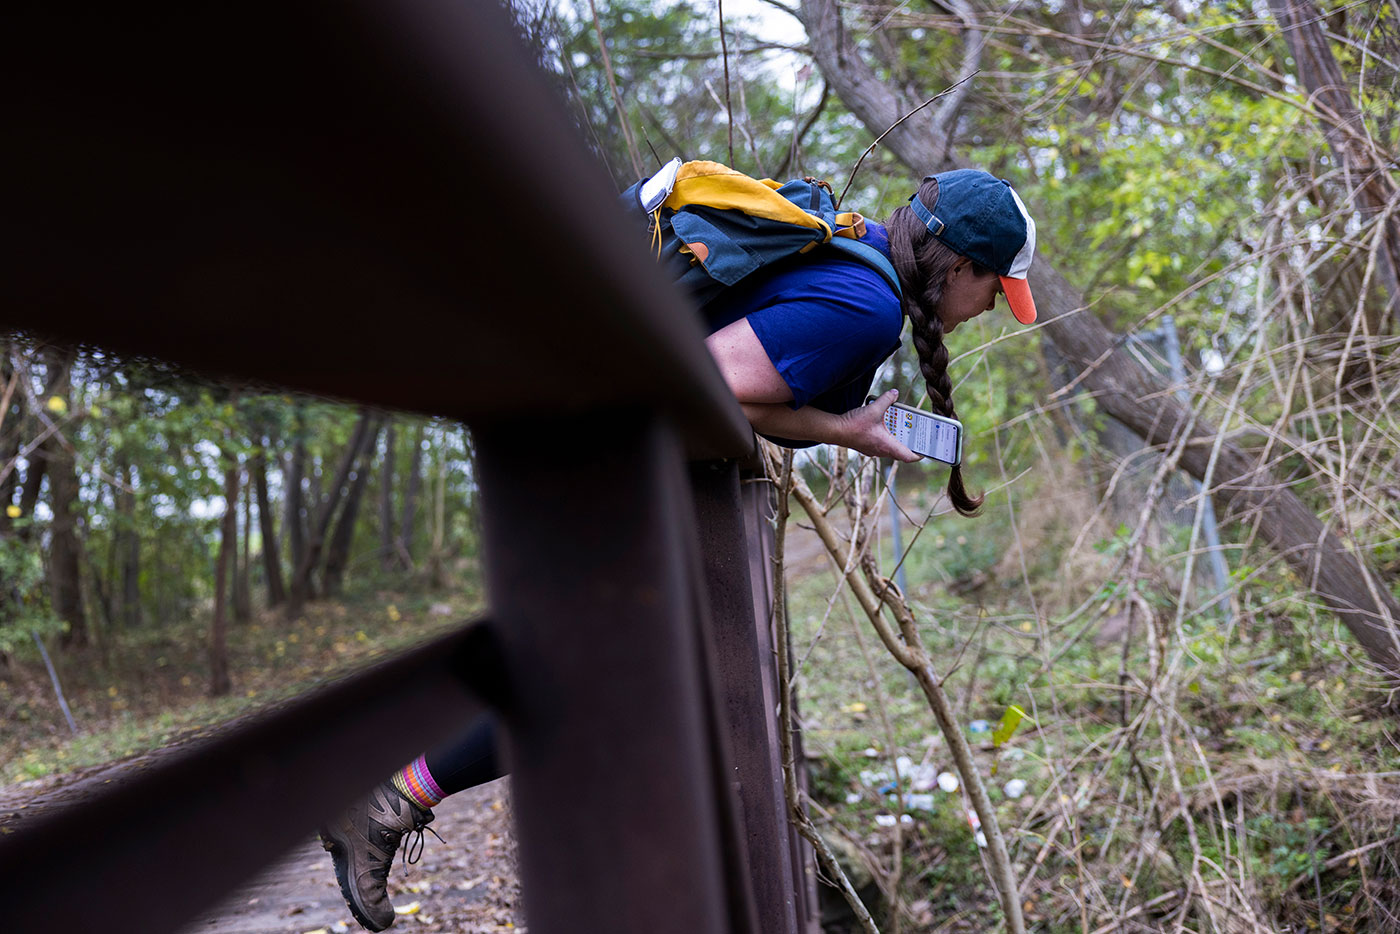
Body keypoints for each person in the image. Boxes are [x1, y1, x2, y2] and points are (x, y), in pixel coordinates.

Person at [318, 168, 1039, 931]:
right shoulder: (866, 306)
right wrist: (839, 428)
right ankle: (386, 800)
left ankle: (396, 794)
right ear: (960, 265)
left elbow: (742, 388)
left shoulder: (856, 249)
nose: (992, 308)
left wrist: (838, 426)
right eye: (996, 290)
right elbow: (716, 377)